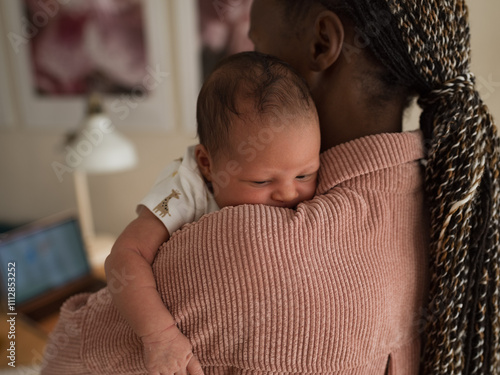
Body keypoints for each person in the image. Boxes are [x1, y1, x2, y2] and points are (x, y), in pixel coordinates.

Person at [41, 0, 499, 374]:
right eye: (263, 180)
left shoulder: (253, 248)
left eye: (257, 43)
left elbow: (66, 355)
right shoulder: (441, 199)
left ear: (321, 43)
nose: (287, 193)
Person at [104, 50, 321, 375]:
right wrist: (160, 336)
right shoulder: (187, 187)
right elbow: (125, 256)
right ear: (208, 165)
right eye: (262, 180)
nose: (289, 194)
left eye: (305, 174)